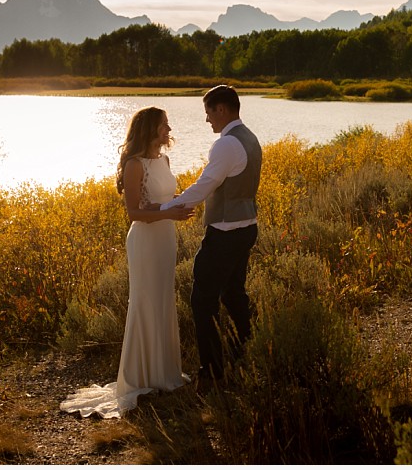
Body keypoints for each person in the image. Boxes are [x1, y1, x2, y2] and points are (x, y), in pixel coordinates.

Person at [60, 107, 194, 419]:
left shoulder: (165, 160)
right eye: (163, 125)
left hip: (165, 238)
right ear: (150, 129)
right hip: (145, 242)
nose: (168, 129)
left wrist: (177, 207)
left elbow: (160, 201)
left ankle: (163, 374)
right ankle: (140, 377)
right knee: (145, 302)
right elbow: (134, 213)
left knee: (163, 300)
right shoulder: (134, 165)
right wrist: (168, 213)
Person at [160, 85, 262, 392]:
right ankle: (249, 352)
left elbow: (205, 186)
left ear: (221, 109)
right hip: (246, 227)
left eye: (208, 112)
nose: (207, 120)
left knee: (202, 301)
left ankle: (213, 374)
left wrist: (165, 208)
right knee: (233, 294)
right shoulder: (250, 138)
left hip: (226, 233)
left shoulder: (227, 144)